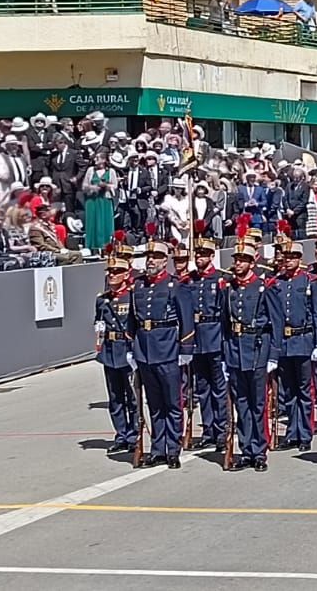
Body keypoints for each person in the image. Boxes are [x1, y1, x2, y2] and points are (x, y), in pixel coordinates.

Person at [129, 240, 191, 469]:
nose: (151, 260)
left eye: (156, 256)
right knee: (154, 404)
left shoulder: (175, 286)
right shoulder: (139, 286)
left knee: (172, 403)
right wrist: (131, 349)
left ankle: (173, 449)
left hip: (167, 349)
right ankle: (158, 449)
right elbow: (132, 322)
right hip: (145, 351)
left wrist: (185, 349)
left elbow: (186, 319)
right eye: (149, 256)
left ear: (165, 261)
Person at [267, 225, 317, 453]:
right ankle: (292, 432)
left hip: (303, 339)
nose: (287, 261)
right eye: (285, 257)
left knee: (304, 390)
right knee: (288, 391)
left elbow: (316, 313)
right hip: (283, 343)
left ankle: (305, 433)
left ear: (299, 259)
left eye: (292, 257)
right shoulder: (276, 282)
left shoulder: (309, 281)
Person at [221, 243, 272, 471]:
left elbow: (275, 323)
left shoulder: (263, 287)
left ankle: (260, 451)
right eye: (236, 259)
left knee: (257, 404)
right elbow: (224, 323)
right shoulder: (230, 289)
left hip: (257, 350)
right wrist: (224, 356)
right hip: (235, 351)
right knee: (241, 404)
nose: (238, 263)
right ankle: (246, 449)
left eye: (243, 259)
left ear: (252, 263)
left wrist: (273, 355)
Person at [180, 237, 229, 450]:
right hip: (196, 339)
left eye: (203, 255)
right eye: (197, 255)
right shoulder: (188, 281)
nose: (199, 258)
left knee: (219, 387)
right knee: (202, 387)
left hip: (215, 337)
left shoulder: (220, 280)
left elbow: (226, 313)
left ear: (211, 257)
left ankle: (221, 429)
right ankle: (208, 429)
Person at [95, 255, 140, 455]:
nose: (112, 276)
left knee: (132, 396)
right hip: (110, 350)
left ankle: (134, 434)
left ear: (126, 274)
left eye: (116, 272)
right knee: (115, 397)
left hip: (126, 350)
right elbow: (98, 323)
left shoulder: (130, 296)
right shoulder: (102, 300)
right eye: (110, 272)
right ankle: (121, 434)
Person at [82, 151, 117, 251]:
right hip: (93, 200)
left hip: (105, 200)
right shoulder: (90, 170)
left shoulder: (111, 171)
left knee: (105, 223)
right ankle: (92, 246)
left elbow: (115, 185)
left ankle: (107, 246)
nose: (95, 160)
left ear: (104, 160)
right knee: (93, 222)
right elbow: (84, 186)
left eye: (98, 158)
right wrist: (93, 187)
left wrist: (106, 186)